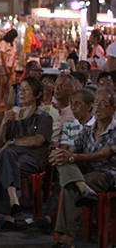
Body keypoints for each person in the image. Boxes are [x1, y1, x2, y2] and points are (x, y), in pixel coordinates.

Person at [48, 87, 116, 247]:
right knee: (64, 163)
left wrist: (72, 157)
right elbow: (72, 150)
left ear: (113, 108)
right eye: (96, 103)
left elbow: (102, 155)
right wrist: (60, 156)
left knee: (70, 186)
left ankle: (67, 239)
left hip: (107, 173)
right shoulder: (88, 130)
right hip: (85, 171)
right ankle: (83, 187)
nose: (97, 108)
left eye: (103, 104)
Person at [0, 77, 53, 230]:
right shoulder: (13, 115)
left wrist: (13, 142)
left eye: (26, 90)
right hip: (14, 158)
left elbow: (38, 140)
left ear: (37, 95)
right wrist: (4, 124)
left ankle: (11, 216)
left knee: (6, 159)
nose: (21, 93)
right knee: (7, 157)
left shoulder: (44, 117)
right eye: (21, 90)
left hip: (33, 158)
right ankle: (14, 205)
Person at [0, 29, 18, 106]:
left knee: (11, 82)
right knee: (3, 82)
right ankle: (1, 100)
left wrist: (13, 66)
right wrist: (6, 67)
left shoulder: (13, 43)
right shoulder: (3, 43)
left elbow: (14, 55)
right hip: (3, 65)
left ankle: (10, 100)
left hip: (10, 64)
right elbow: (2, 55)